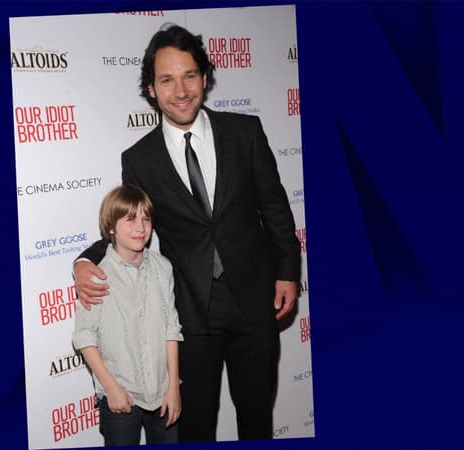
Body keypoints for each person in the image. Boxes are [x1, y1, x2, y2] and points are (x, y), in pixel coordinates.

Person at [74, 23, 301, 442]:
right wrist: (84, 260)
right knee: (196, 426)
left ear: (205, 78)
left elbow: (275, 208)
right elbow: (127, 221)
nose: (180, 90)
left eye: (190, 76)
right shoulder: (139, 158)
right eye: (167, 80)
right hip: (189, 314)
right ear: (151, 89)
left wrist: (288, 271)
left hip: (255, 302)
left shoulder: (244, 132)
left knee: (257, 417)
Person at [72, 185, 183, 447]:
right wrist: (111, 389)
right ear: (111, 226)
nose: (140, 228)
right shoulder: (97, 273)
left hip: (162, 391)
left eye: (146, 219)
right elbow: (85, 336)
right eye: (130, 219)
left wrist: (174, 387)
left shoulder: (162, 267)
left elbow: (171, 328)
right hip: (120, 393)